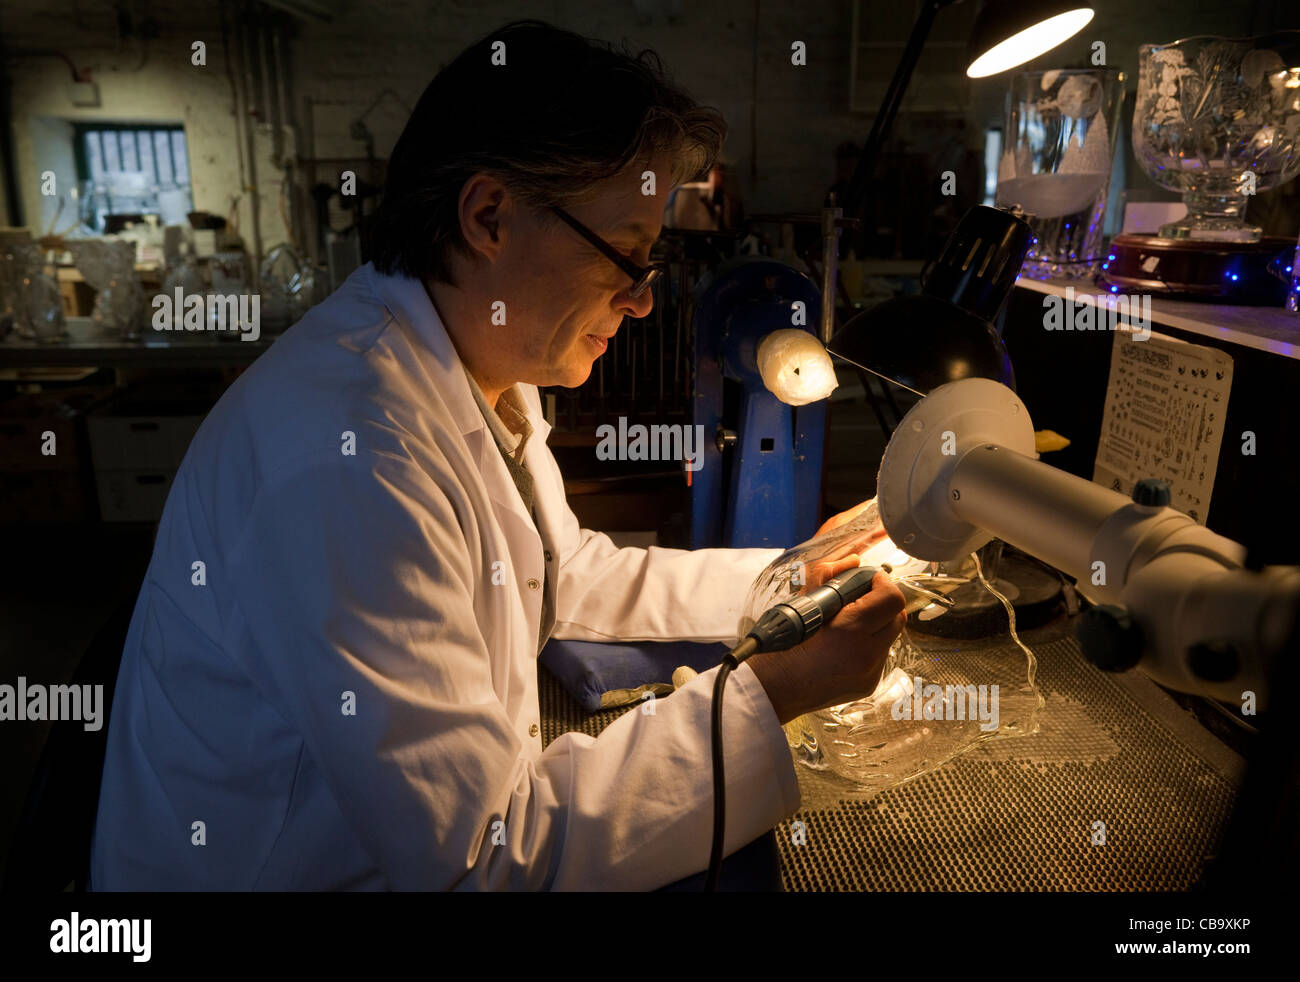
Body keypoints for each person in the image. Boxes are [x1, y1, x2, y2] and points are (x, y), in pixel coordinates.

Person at [89, 19, 905, 891]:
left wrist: (789, 578)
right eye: (624, 254)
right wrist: (771, 693)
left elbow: (565, 574)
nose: (640, 300)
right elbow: (484, 859)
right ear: (489, 217)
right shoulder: (350, 456)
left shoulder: (474, 365)